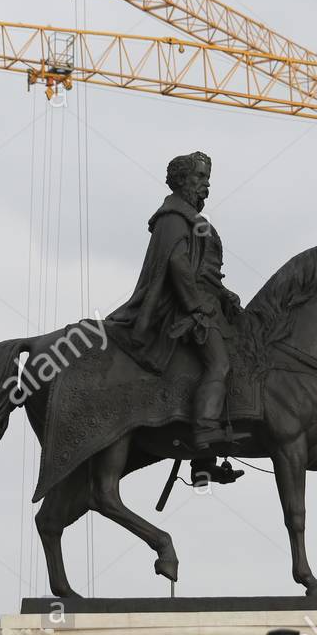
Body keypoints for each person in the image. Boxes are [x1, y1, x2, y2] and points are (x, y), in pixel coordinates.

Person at [105, 151, 245, 486]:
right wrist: (197, 308)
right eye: (199, 179)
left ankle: (203, 464)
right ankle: (204, 433)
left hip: (202, 303)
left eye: (207, 179)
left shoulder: (194, 220)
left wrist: (224, 295)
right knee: (219, 364)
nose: (205, 186)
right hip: (178, 309)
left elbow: (204, 272)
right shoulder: (172, 217)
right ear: (181, 181)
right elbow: (178, 267)